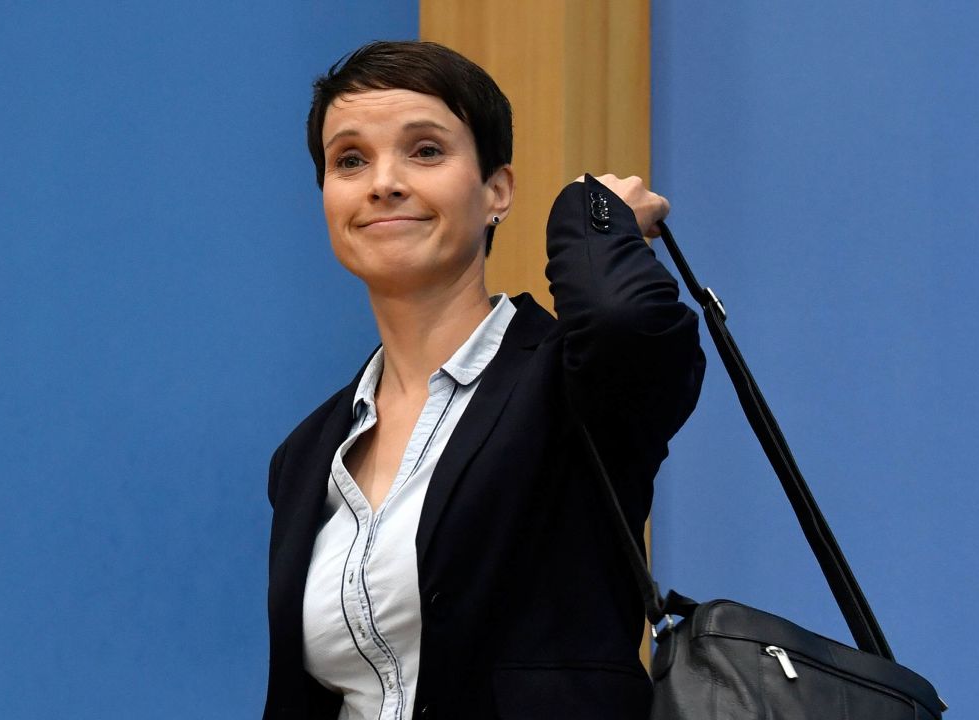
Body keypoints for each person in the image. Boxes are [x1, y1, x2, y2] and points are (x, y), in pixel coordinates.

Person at [264, 41, 705, 720]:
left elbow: (625, 321)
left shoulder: (570, 387)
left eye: (426, 151)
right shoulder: (306, 454)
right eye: (349, 160)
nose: (383, 182)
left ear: (497, 190)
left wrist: (591, 214)